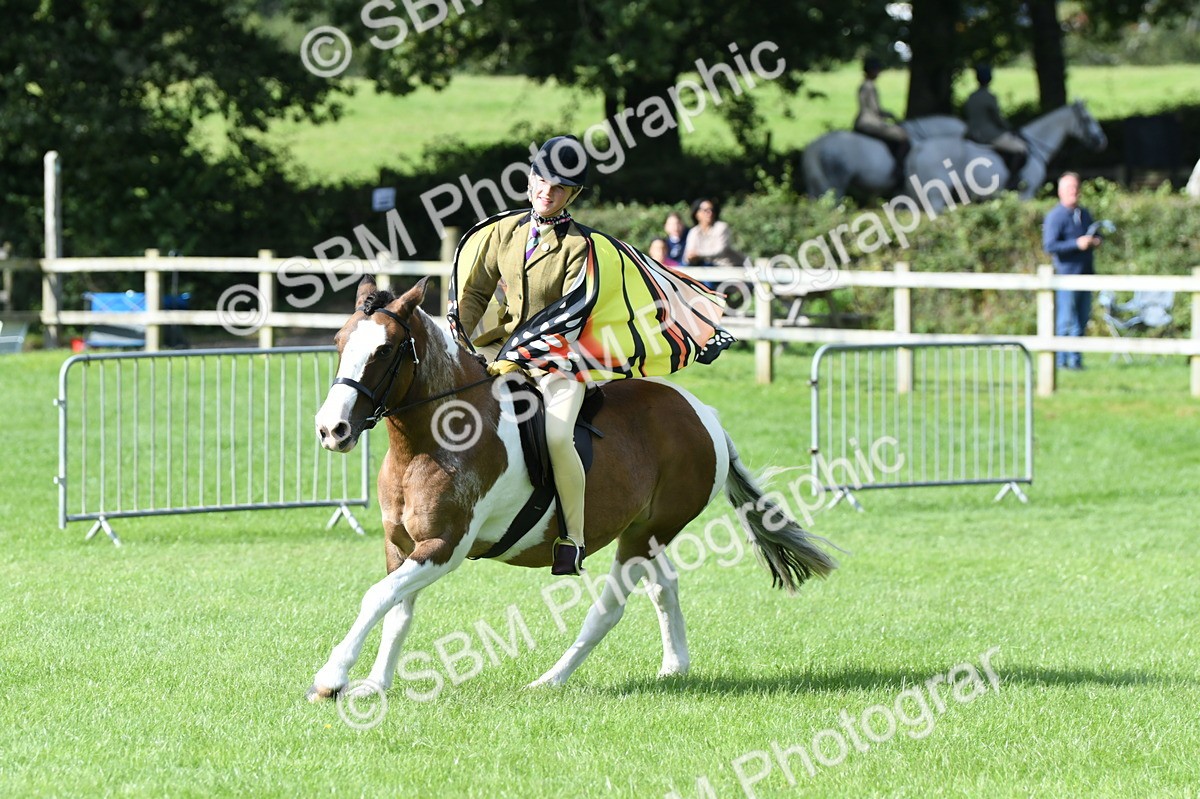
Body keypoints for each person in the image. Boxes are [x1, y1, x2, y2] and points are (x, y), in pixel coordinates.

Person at [451, 136, 733, 575]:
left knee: (559, 436)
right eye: (541, 180)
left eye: (559, 187)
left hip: (560, 358)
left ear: (573, 195)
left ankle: (572, 537)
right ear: (529, 179)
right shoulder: (502, 232)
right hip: (500, 342)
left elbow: (568, 315)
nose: (547, 191)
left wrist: (516, 358)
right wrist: (459, 338)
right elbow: (474, 292)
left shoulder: (579, 247)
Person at [1043, 172, 1102, 370]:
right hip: (1067, 276)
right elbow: (1050, 245)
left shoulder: (1084, 214)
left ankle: (1076, 362)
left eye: (1076, 187)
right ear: (1060, 192)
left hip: (1086, 275)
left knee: (1081, 320)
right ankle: (1061, 362)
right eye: (1069, 188)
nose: (1073, 192)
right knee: (1066, 321)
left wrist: (1095, 241)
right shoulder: (1055, 216)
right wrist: (1076, 244)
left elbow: (1095, 233)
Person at [964, 64, 1028, 190]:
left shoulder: (971, 97)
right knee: (1021, 148)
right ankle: (1013, 179)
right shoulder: (989, 97)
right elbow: (998, 119)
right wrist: (1010, 128)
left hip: (971, 133)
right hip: (989, 135)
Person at [854, 55, 909, 185]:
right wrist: (891, 116)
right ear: (873, 71)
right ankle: (899, 170)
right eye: (877, 70)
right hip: (869, 122)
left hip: (863, 120)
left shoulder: (864, 85)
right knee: (903, 137)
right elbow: (875, 110)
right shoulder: (869, 86)